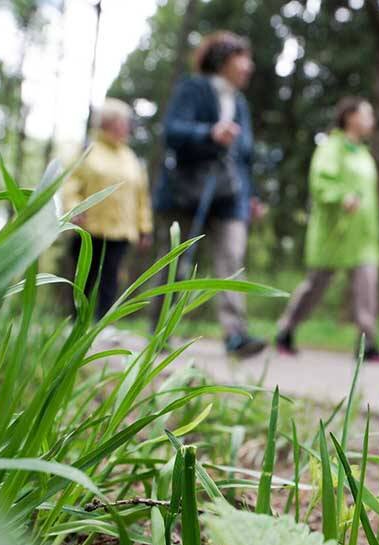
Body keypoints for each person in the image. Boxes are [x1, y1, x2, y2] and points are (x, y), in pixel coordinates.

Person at [149, 31, 266, 358]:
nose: (249, 66)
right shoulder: (193, 88)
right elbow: (171, 131)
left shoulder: (240, 103)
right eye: (242, 58)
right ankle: (161, 327)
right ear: (222, 60)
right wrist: (209, 133)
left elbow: (244, 156)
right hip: (188, 191)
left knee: (231, 258)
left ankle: (235, 334)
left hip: (229, 193)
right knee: (174, 261)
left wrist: (252, 194)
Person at [275, 97, 379, 362]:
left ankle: (367, 343)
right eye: (367, 114)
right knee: (316, 286)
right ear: (350, 117)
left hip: (363, 235)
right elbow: (320, 182)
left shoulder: (364, 153)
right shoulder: (331, 147)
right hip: (334, 231)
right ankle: (286, 330)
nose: (372, 121)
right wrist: (341, 196)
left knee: (367, 287)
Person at [62, 98, 153, 322]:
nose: (127, 127)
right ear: (108, 123)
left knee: (111, 278)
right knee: (84, 277)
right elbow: (71, 186)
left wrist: (144, 229)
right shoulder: (88, 151)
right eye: (123, 122)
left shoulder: (130, 158)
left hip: (121, 231)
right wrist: (73, 210)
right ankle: (76, 322)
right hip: (89, 228)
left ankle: (104, 323)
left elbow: (141, 196)